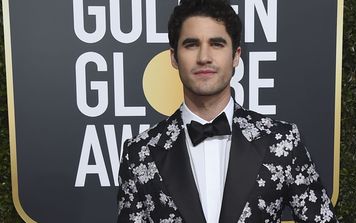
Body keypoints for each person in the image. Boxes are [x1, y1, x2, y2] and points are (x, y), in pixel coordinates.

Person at [117, 0, 338, 222]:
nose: (204, 57)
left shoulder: (281, 141)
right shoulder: (139, 154)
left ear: (236, 56)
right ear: (174, 57)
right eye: (191, 44)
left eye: (217, 44)